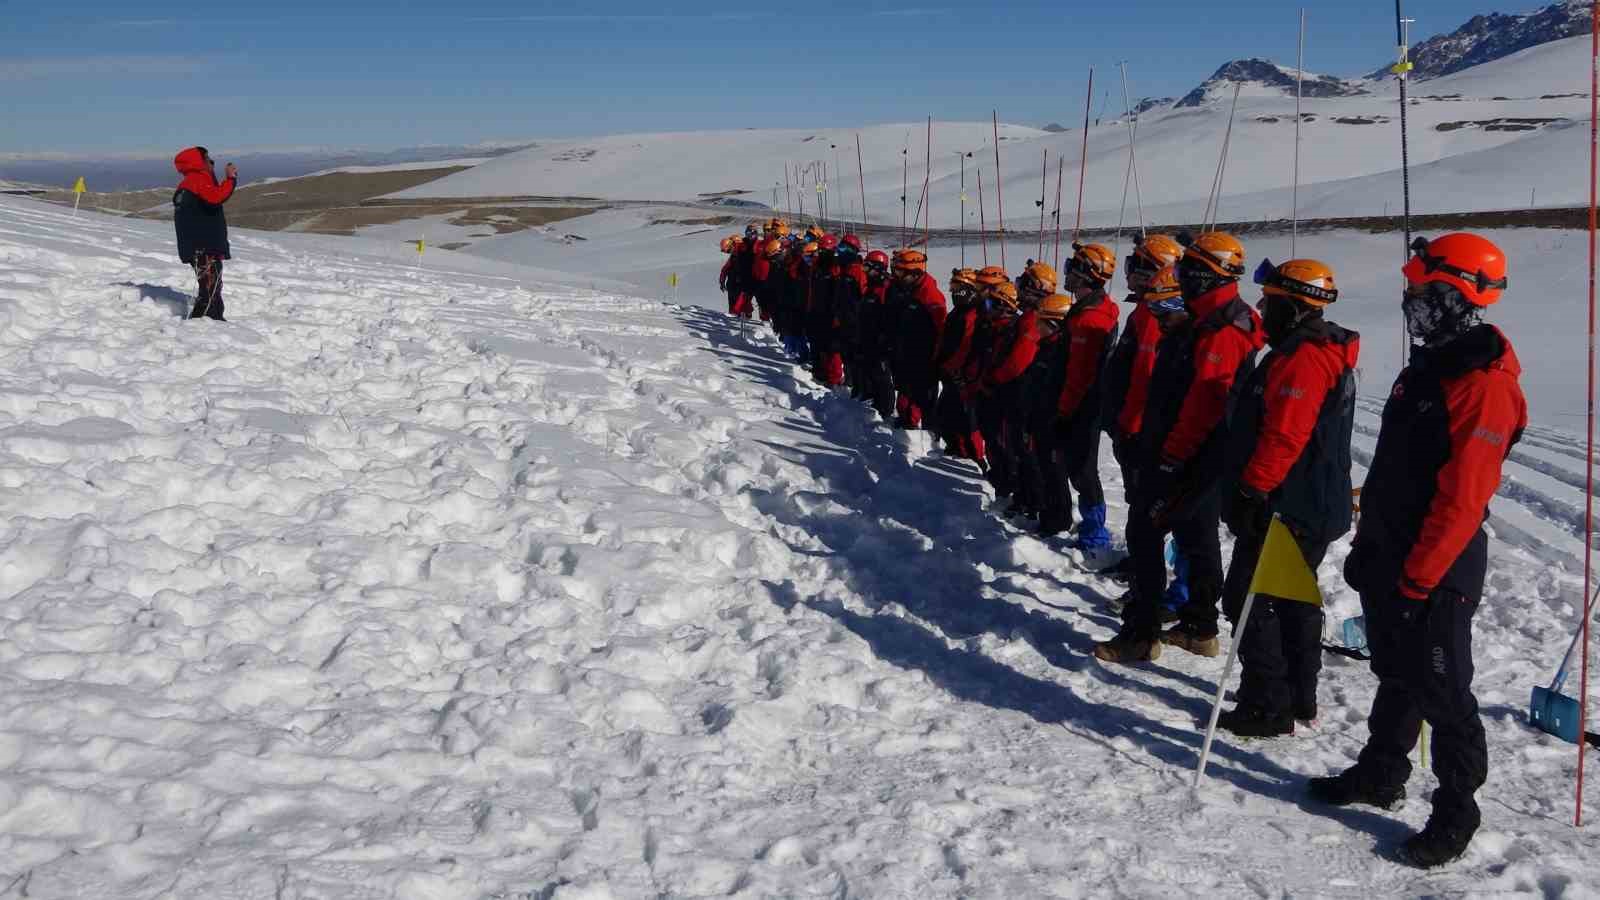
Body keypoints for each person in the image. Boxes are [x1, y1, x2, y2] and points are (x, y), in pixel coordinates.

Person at [1309, 233, 1526, 869]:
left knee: (1443, 687)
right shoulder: (1426, 367)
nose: (1410, 304)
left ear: (1459, 298)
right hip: (1394, 556)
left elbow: (1461, 501)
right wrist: (1373, 548)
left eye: (1422, 293)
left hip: (1438, 568)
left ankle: (1458, 808)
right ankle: (1381, 772)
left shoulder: (1482, 387)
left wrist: (1418, 579)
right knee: (1396, 673)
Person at [1095, 232, 1263, 663]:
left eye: (1190, 270)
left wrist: (1170, 459)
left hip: (1188, 455)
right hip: (1195, 455)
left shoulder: (1221, 328)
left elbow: (1205, 403)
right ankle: (1199, 624)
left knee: (1146, 532)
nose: (1182, 277)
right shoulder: (1210, 316)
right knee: (1196, 535)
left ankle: (1142, 632)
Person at [1216, 259, 1359, 737]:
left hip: (1291, 503)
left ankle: (1267, 703)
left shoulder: (1305, 357)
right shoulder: (1309, 350)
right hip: (1307, 499)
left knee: (1248, 598)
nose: (1262, 308)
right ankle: (1297, 695)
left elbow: (1285, 435)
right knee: (1293, 597)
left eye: (1271, 302)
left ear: (1295, 307)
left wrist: (1252, 489)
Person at [1050, 243, 1121, 548]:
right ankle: (1092, 526)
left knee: (1082, 469)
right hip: (1083, 404)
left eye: (1073, 268)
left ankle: (1095, 532)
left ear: (1085, 276)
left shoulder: (1089, 319)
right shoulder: (1093, 309)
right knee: (1079, 467)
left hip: (1083, 407)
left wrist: (1064, 411)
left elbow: (1079, 374)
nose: (1067, 274)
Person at [173, 146, 238, 321]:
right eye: (208, 159)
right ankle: (204, 325)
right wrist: (230, 179)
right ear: (199, 162)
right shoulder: (196, 180)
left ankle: (212, 322)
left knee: (211, 288)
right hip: (203, 247)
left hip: (199, 246)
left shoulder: (192, 181)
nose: (212, 162)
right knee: (210, 290)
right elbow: (216, 197)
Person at [885, 249, 947, 429]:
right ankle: (906, 421)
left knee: (924, 399)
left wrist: (935, 358)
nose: (895, 275)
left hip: (924, 358)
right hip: (906, 352)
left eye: (900, 272)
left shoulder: (930, 296)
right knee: (905, 389)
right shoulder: (907, 290)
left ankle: (928, 434)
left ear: (914, 273)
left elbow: (941, 331)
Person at [934, 268, 988, 464]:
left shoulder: (972, 314)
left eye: (957, 286)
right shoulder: (957, 312)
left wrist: (951, 366)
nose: (952, 290)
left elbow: (966, 345)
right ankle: (956, 448)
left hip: (963, 376)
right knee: (946, 413)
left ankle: (972, 458)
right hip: (950, 372)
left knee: (966, 420)